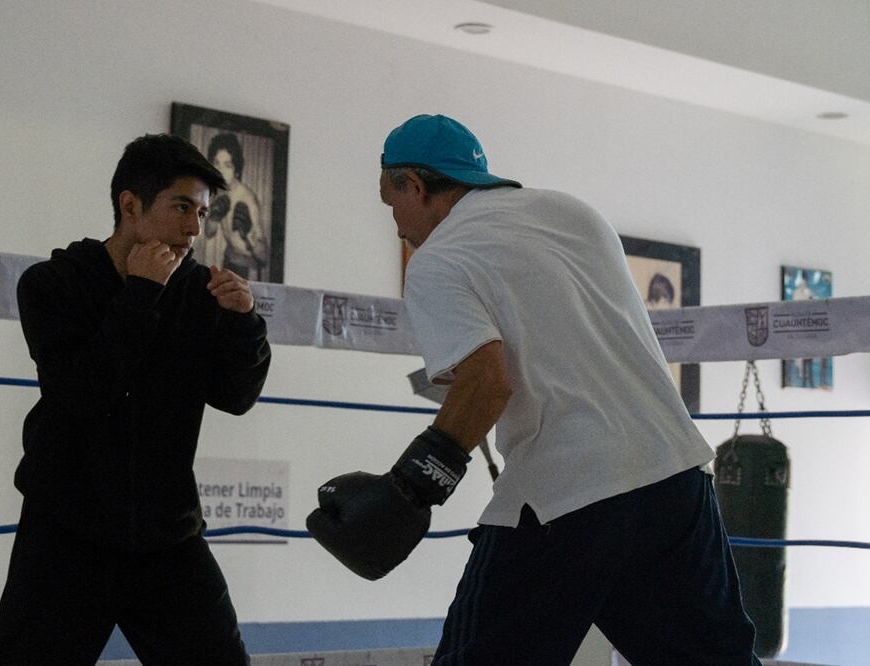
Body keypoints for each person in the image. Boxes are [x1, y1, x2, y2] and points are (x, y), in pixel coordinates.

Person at [307, 114, 760, 665]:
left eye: (391, 203)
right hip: (674, 477)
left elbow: (486, 382)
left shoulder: (437, 261)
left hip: (564, 494)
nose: (397, 225)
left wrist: (411, 488)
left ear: (416, 186)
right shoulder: (572, 212)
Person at [0, 134, 271, 665]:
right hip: (67, 533)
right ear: (130, 205)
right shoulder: (52, 285)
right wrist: (140, 295)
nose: (193, 228)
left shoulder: (199, 293)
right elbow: (82, 393)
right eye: (181, 207)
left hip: (167, 537)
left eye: (203, 213)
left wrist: (244, 325)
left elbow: (236, 397)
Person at [202, 132, 269, 279]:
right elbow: (209, 233)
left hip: (248, 268)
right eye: (216, 163)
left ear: (237, 170)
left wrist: (247, 235)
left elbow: (264, 258)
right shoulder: (219, 191)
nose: (220, 170)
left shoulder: (246, 198)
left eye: (227, 165)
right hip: (229, 260)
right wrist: (214, 217)